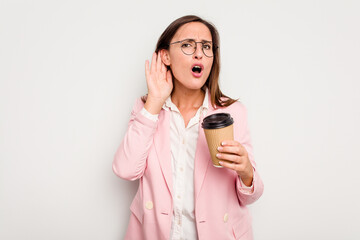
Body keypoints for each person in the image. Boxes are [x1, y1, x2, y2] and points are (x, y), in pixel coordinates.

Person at [113, 15, 264, 240]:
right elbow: (125, 170)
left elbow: (249, 197)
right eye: (187, 45)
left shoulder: (233, 113)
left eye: (206, 47)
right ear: (165, 56)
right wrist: (154, 102)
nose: (199, 53)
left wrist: (246, 173)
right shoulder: (147, 108)